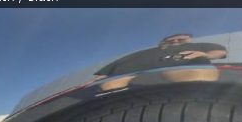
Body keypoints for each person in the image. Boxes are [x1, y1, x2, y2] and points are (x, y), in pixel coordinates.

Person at [92, 34, 227, 92]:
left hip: (183, 70)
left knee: (196, 76)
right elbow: (120, 62)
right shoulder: (148, 51)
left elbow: (220, 52)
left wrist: (205, 54)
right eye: (171, 40)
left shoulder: (200, 45)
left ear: (188, 39)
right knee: (110, 86)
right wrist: (102, 75)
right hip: (135, 74)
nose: (175, 41)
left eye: (180, 39)